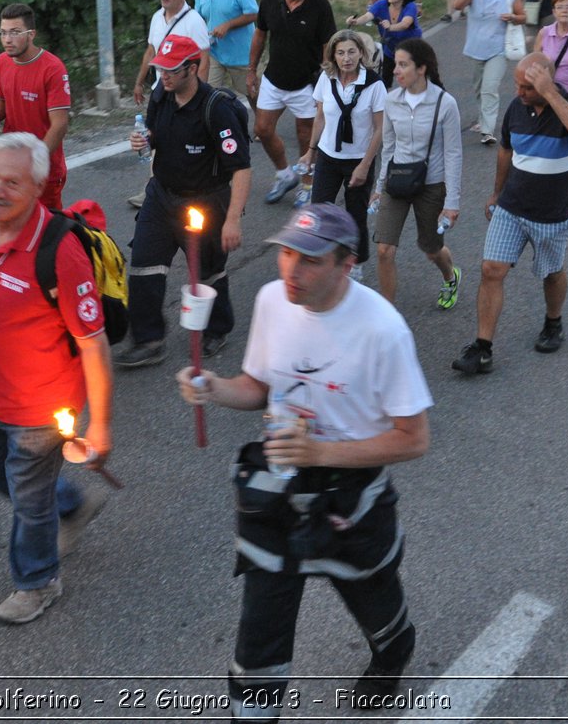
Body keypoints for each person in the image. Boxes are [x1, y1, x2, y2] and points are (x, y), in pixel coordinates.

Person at [175, 202, 431, 715]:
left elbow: (414, 439)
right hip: (278, 487)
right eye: (287, 253)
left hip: (352, 493)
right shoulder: (272, 300)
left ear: (346, 264)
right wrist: (214, 389)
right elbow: (259, 386)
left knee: (370, 592)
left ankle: (394, 644)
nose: (292, 269)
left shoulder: (384, 330)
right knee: (261, 624)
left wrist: (321, 450)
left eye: (311, 259)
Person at [0, 133, 114, 625]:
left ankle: (37, 582)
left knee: (29, 503)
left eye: (11, 181)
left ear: (37, 186)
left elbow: (94, 344)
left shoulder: (60, 250)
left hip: (41, 408)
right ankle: (69, 504)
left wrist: (100, 427)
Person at [452, 53, 568, 376]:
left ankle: (553, 322)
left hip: (554, 213)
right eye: (516, 85)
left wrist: (551, 94)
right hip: (512, 207)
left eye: (527, 87)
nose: (519, 93)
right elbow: (506, 149)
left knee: (551, 272)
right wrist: (496, 192)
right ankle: (482, 348)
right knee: (491, 269)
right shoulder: (517, 108)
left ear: (546, 83)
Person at [117, 35, 252, 369]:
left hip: (204, 203)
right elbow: (154, 134)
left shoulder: (216, 109)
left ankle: (216, 329)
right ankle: (149, 340)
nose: (163, 76)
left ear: (193, 68)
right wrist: (144, 139)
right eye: (160, 68)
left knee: (208, 272)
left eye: (171, 70)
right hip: (162, 195)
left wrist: (233, 219)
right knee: (144, 264)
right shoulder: (161, 95)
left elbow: (242, 169)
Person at [372, 39, 463, 308]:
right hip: (396, 181)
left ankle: (450, 275)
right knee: (384, 249)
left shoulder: (445, 103)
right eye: (395, 65)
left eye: (403, 65)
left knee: (432, 250)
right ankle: (387, 312)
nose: (396, 70)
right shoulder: (391, 100)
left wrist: (452, 203)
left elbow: (453, 154)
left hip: (430, 185)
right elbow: (388, 146)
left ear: (421, 68)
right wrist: (379, 187)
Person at [249, 0, 338, 207]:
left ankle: (307, 185)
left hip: (307, 83)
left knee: (306, 137)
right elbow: (259, 35)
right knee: (262, 130)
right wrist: (251, 70)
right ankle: (284, 174)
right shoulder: (269, 0)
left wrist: (326, 83)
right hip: (274, 79)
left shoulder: (320, 5)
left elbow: (327, 46)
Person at [298, 30, 386, 280]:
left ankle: (355, 265)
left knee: (356, 215)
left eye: (351, 51)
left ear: (361, 53)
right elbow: (320, 116)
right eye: (340, 53)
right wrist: (310, 152)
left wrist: (365, 165)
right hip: (328, 156)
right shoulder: (326, 79)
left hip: (358, 159)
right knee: (318, 211)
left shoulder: (374, 84)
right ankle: (320, 259)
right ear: (333, 56)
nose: (346, 58)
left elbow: (380, 128)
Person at [0, 3, 71, 211]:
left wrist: (35, 163)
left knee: (45, 234)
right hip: (10, 166)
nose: (7, 40)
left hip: (43, 171)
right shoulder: (2, 62)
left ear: (31, 34)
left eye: (15, 32)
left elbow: (60, 125)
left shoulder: (53, 68)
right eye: (3, 33)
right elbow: (1, 104)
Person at [463, 0, 529, 145]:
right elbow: (458, 6)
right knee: (479, 88)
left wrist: (513, 17)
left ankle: (488, 130)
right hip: (476, 48)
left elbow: (523, 17)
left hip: (498, 49)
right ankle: (483, 119)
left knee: (490, 88)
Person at [195, 0, 261, 109]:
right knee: (207, 93)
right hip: (214, 52)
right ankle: (215, 131)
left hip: (241, 53)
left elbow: (254, 14)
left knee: (252, 95)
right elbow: (198, 18)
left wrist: (228, 25)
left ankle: (263, 128)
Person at [132, 0, 210, 107]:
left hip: (183, 92)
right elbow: (151, 51)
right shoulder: (157, 17)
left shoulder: (194, 21)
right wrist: (139, 84)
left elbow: (204, 61)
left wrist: (198, 96)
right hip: (160, 89)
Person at [351, 0, 421, 89]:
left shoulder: (410, 6)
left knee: (411, 75)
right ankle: (384, 102)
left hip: (410, 46)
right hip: (390, 47)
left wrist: (390, 27)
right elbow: (367, 16)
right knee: (385, 78)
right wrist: (355, 21)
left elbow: (405, 24)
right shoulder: (381, 4)